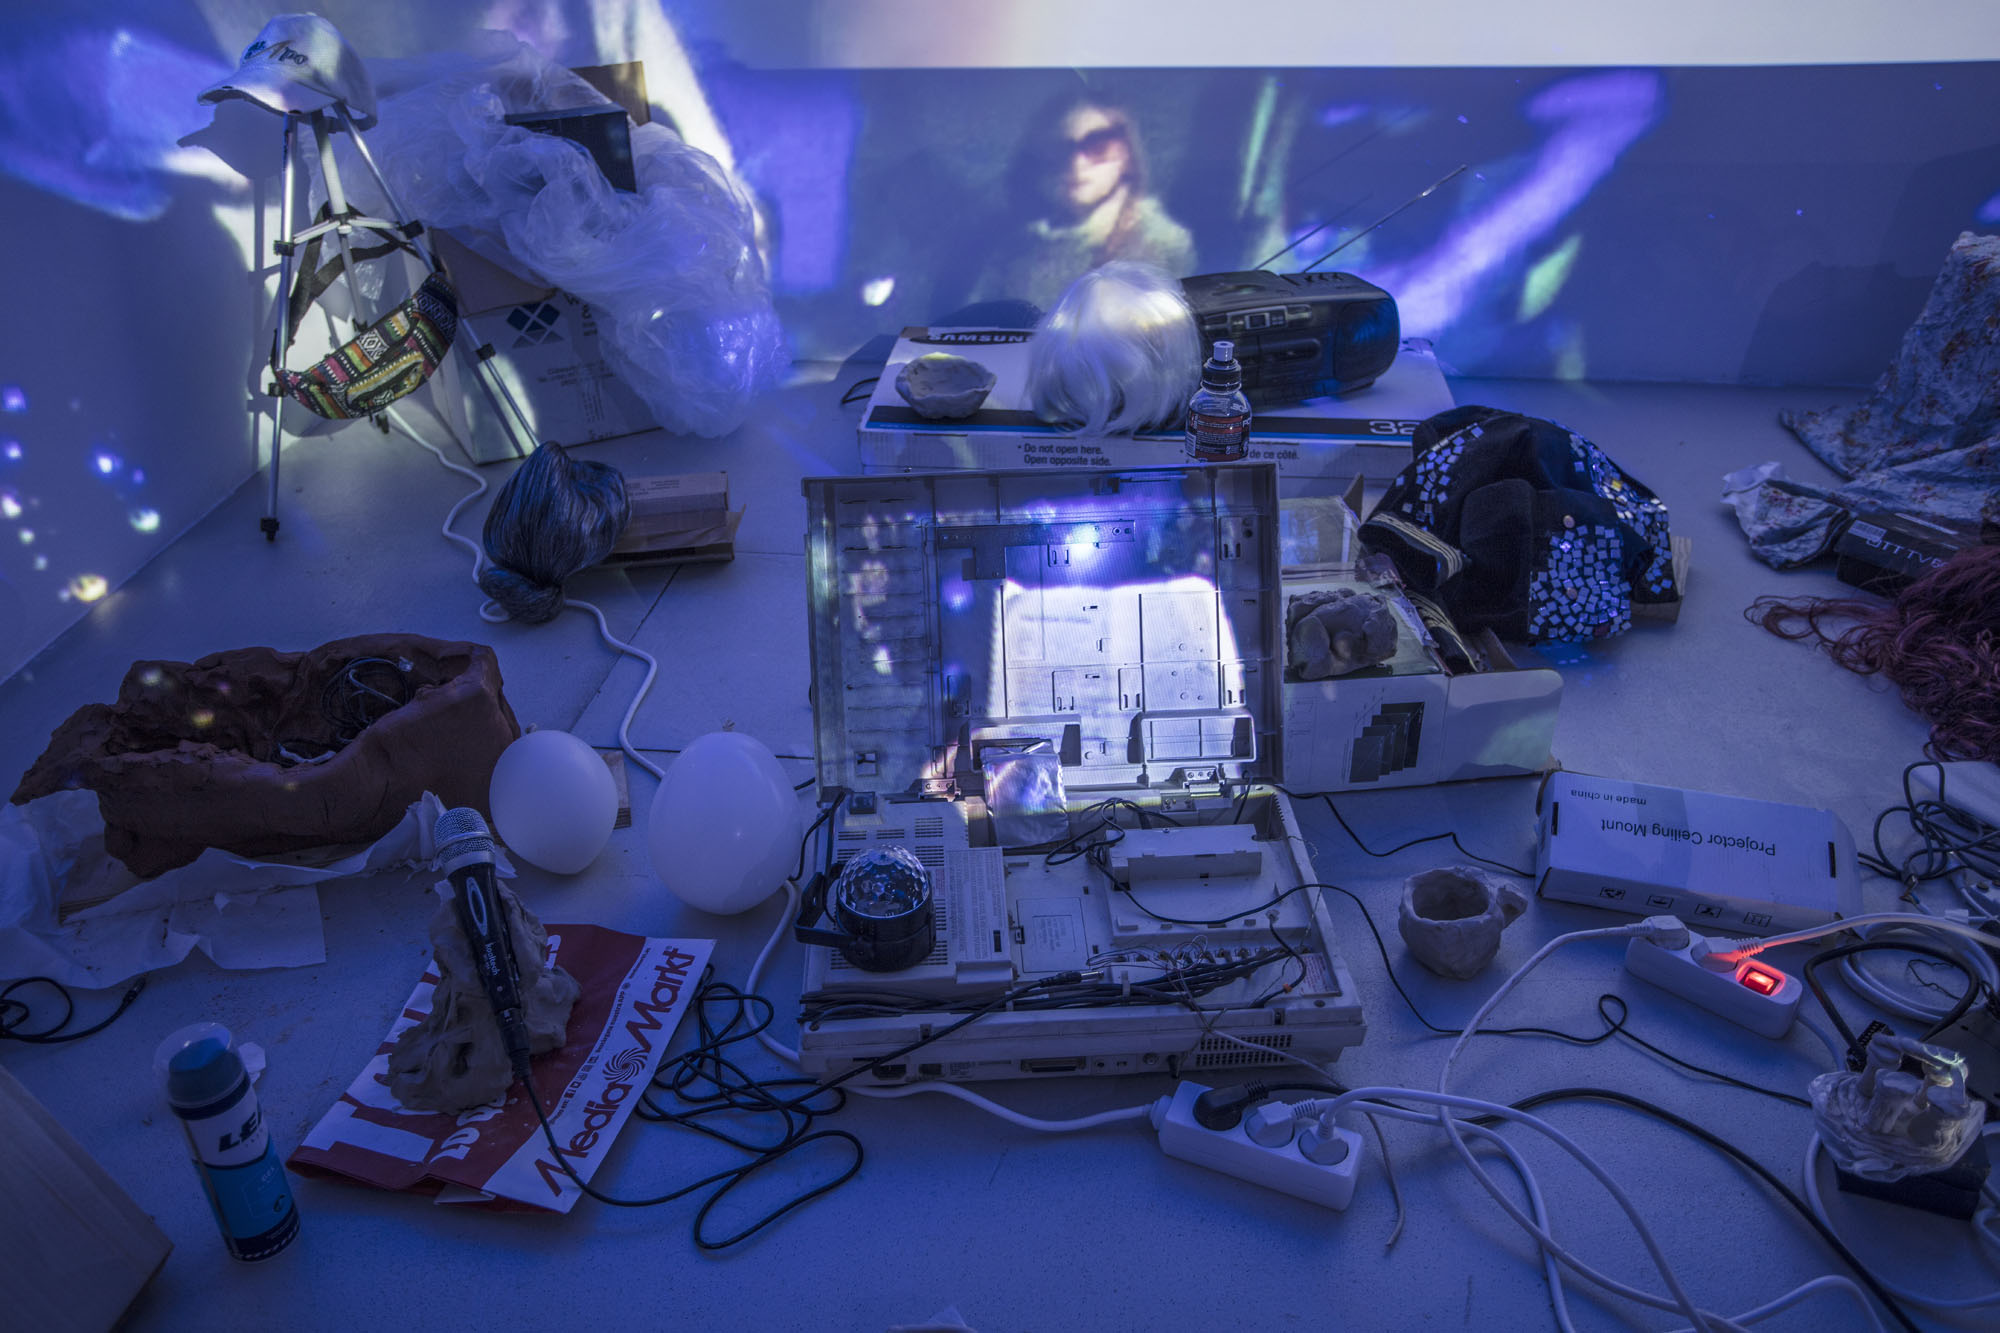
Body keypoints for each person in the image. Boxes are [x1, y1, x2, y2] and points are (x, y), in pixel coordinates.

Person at [969, 94, 1196, 310]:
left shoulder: (1162, 243)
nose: (1076, 163)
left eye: (1098, 145)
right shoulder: (1016, 247)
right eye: (1059, 149)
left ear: (1126, 156)